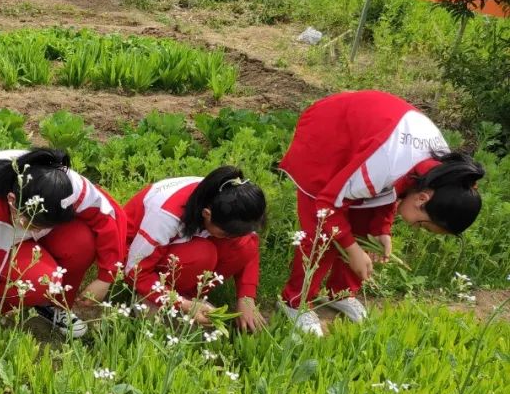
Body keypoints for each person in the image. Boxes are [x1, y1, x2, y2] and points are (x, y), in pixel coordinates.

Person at [278, 89, 484, 336]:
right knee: (321, 233)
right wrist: (352, 250)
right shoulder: (386, 161)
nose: (415, 228)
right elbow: (328, 204)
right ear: (422, 200)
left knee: (363, 226)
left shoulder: (441, 175)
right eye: (423, 225)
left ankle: (341, 292)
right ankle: (295, 301)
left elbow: (396, 187)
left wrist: (381, 229)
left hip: (370, 142)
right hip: (329, 137)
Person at [0, 148, 127, 351]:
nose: (41, 231)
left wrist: (106, 277)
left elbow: (108, 217)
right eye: (34, 225)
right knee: (39, 281)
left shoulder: (64, 185)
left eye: (45, 226)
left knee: (82, 241)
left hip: (22, 222)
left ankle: (54, 304)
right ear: (11, 201)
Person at [124, 167, 267, 331]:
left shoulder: (233, 204)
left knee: (244, 247)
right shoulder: (165, 216)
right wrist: (183, 304)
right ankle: (152, 298)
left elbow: (248, 246)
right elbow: (134, 270)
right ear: (207, 214)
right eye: (226, 234)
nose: (232, 238)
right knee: (202, 254)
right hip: (136, 254)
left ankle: (189, 295)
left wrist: (246, 297)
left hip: (176, 245)